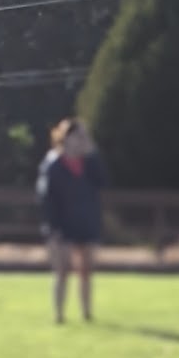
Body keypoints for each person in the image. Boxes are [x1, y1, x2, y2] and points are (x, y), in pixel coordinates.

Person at [36, 119, 105, 324]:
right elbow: (46, 198)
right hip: (61, 225)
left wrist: (93, 154)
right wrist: (53, 228)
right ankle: (59, 315)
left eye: (84, 136)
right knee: (62, 271)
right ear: (66, 138)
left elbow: (103, 182)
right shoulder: (53, 164)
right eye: (78, 136)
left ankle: (87, 313)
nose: (81, 140)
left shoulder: (89, 163)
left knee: (86, 272)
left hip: (86, 222)